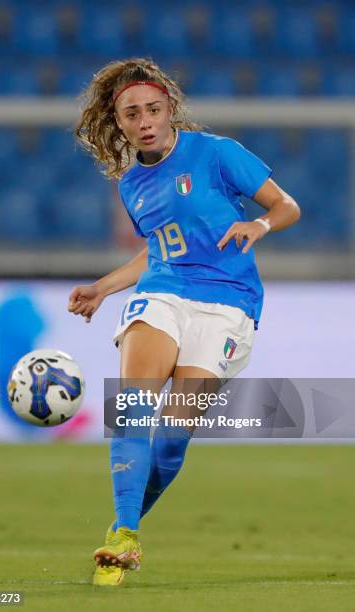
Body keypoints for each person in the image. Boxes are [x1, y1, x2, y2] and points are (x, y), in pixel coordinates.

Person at [68, 58, 300, 586]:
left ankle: (122, 526)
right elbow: (158, 252)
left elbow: (288, 206)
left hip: (229, 304)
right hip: (164, 295)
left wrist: (258, 224)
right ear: (119, 123)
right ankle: (123, 541)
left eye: (153, 109)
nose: (145, 120)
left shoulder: (217, 154)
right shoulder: (132, 186)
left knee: (171, 439)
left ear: (170, 108)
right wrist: (104, 287)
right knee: (133, 410)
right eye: (132, 114)